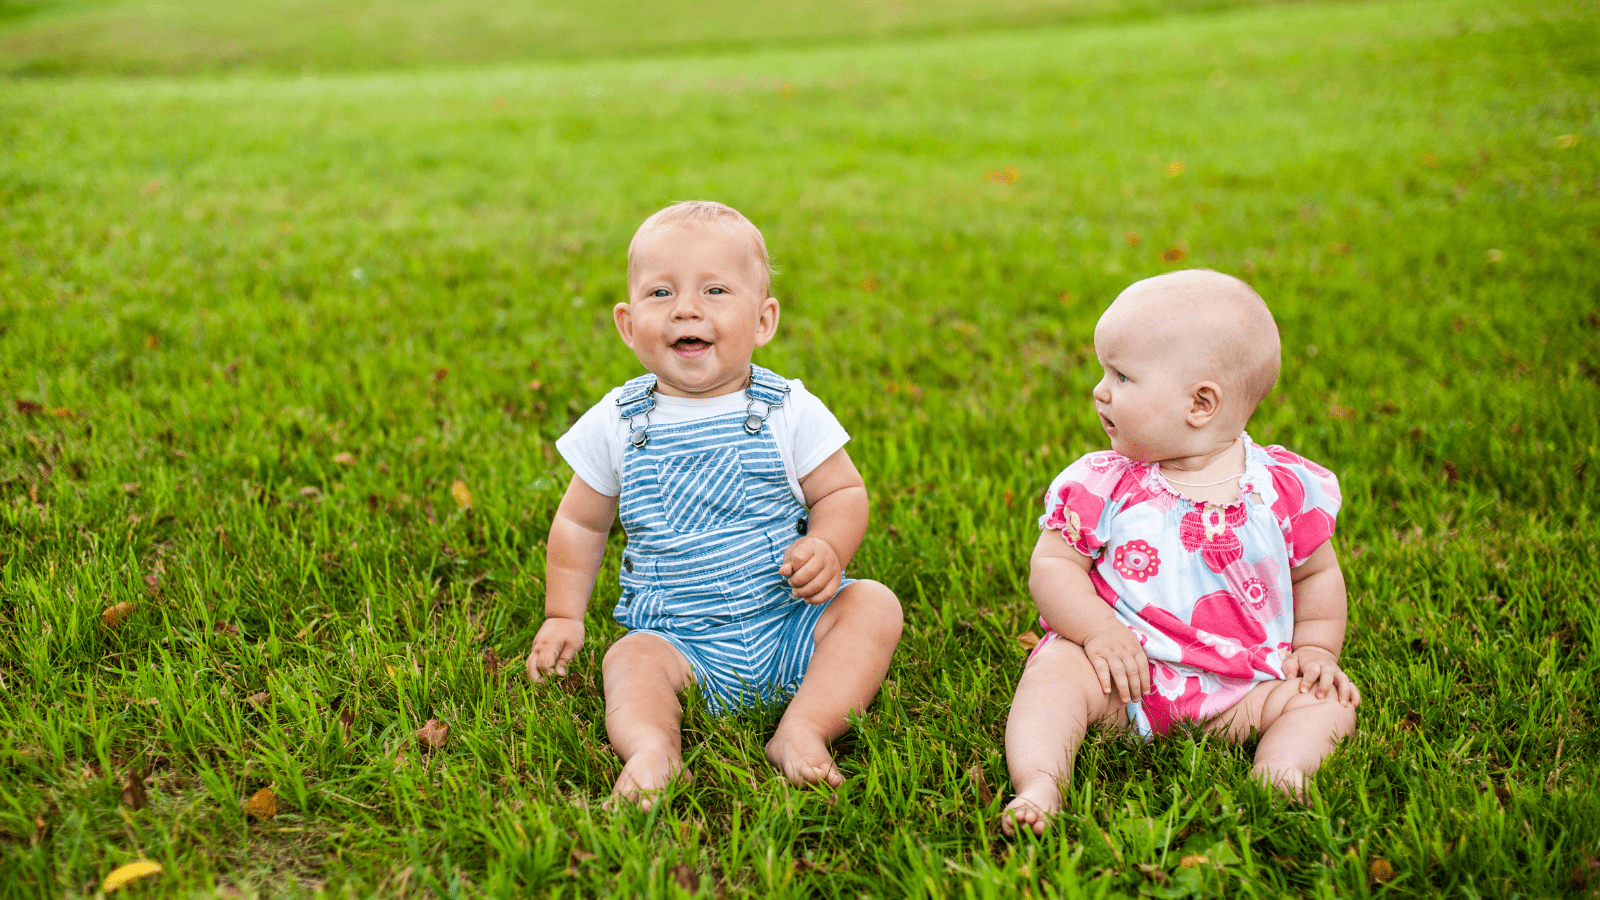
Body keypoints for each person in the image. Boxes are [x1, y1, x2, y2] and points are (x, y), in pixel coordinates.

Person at [525, 200, 903, 809]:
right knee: (629, 660)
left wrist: (828, 545)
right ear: (628, 324)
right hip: (680, 644)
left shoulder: (788, 409)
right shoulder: (617, 421)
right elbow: (580, 522)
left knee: (873, 606)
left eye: (715, 290)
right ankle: (653, 750)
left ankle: (805, 727)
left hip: (790, 622)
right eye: (661, 293)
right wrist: (563, 614)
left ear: (763, 320)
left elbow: (841, 491)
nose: (686, 309)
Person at [1002, 269, 1360, 836]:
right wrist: (1097, 632)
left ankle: (1281, 773)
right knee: (1055, 672)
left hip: (1243, 690)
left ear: (1200, 403)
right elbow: (1054, 566)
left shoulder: (1281, 490)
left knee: (1328, 701)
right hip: (1123, 678)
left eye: (1122, 376)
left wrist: (1317, 650)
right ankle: (1041, 780)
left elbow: (1315, 575)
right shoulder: (1104, 483)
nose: (1100, 390)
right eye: (1104, 372)